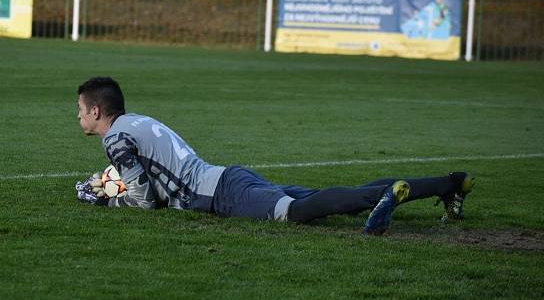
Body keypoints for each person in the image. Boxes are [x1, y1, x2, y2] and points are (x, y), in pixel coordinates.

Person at [75, 77, 474, 235]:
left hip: (222, 193)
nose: (78, 115)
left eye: (80, 109)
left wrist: (111, 199)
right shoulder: (137, 121)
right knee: (320, 198)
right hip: (226, 179)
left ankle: (381, 198)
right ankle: (450, 183)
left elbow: (146, 202)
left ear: (96, 111)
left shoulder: (114, 139)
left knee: (296, 213)